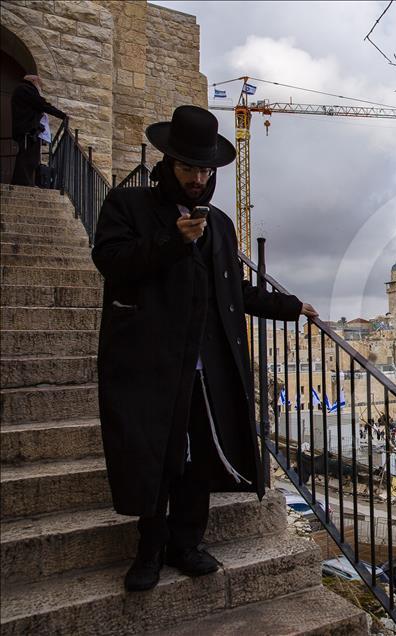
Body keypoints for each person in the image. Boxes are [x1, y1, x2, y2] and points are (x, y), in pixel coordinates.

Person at [92, 105, 318, 592]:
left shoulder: (217, 223)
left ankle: (187, 543)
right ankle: (149, 550)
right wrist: (171, 243)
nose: (197, 178)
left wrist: (292, 305)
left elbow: (233, 290)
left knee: (197, 462)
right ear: (169, 164)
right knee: (158, 455)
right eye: (188, 168)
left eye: (204, 169)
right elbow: (111, 262)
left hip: (204, 367)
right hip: (149, 363)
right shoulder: (128, 207)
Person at [10, 75, 67, 187]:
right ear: (33, 81)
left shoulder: (22, 89)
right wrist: (61, 115)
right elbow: (41, 104)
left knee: (30, 156)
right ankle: (23, 182)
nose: (40, 87)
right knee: (28, 157)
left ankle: (24, 182)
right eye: (40, 84)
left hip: (27, 129)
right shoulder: (26, 89)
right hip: (27, 129)